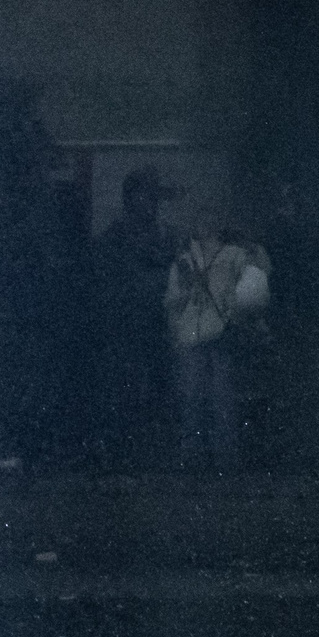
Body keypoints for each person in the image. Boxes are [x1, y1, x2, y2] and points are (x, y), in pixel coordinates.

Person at [88, 165, 181, 467]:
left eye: (154, 198)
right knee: (123, 396)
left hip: (155, 328)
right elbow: (104, 288)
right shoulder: (111, 241)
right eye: (146, 197)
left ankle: (148, 459)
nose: (152, 205)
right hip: (123, 331)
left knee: (156, 396)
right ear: (132, 199)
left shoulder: (166, 239)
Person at [164, 222, 270, 472]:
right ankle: (195, 461)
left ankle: (223, 462)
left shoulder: (235, 256)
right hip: (192, 336)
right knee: (195, 400)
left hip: (219, 336)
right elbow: (172, 299)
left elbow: (254, 283)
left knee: (221, 401)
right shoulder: (185, 258)